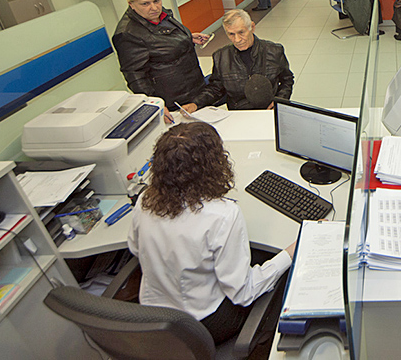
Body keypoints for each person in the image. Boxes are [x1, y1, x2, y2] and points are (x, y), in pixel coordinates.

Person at [127, 122, 296, 345]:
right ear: (214, 164)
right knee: (279, 266)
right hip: (204, 324)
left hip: (153, 316)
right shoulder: (223, 215)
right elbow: (243, 293)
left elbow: (135, 248)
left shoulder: (145, 200)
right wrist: (290, 253)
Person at [112, 0, 208, 124]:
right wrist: (156, 105)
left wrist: (187, 38)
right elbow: (135, 75)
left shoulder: (161, 14)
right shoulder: (128, 33)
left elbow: (163, 40)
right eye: (145, 4)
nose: (154, 8)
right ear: (131, 4)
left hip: (194, 86)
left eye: (156, 1)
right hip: (173, 99)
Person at [180, 9, 293, 112]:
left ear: (252, 27)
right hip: (239, 113)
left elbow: (287, 80)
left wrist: (279, 101)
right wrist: (196, 104)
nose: (237, 39)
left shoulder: (274, 51)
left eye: (241, 32)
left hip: (268, 111)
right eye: (231, 34)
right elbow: (216, 89)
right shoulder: (221, 57)